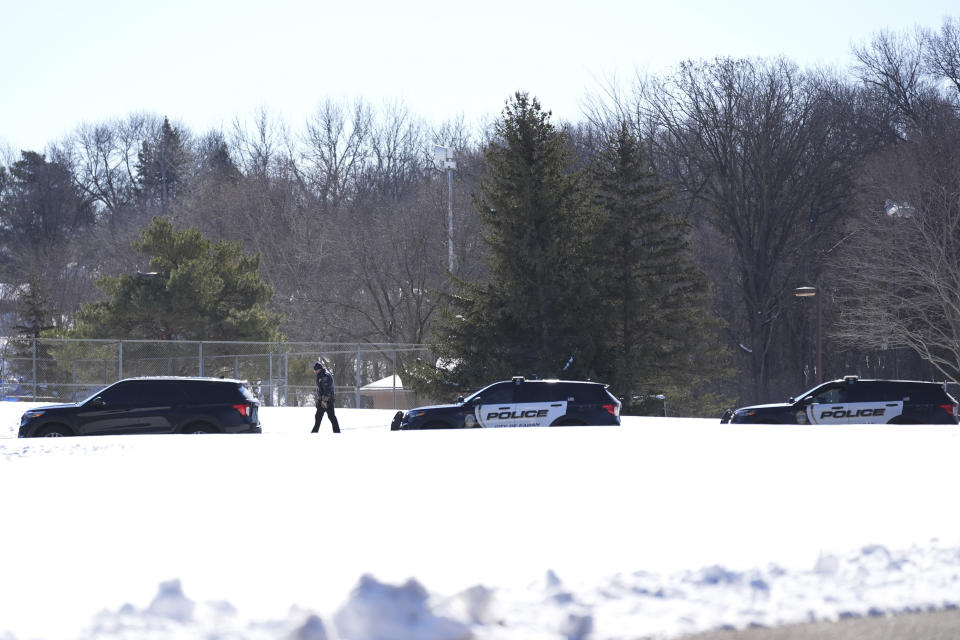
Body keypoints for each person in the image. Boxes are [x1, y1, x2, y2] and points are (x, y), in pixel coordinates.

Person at [311, 359, 341, 434]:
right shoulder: (322, 375)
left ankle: (314, 432)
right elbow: (321, 389)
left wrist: (324, 401)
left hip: (326, 401)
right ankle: (337, 432)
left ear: (319, 369)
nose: (315, 371)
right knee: (330, 416)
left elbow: (327, 390)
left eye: (316, 370)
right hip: (326, 400)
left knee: (320, 416)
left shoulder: (324, 376)